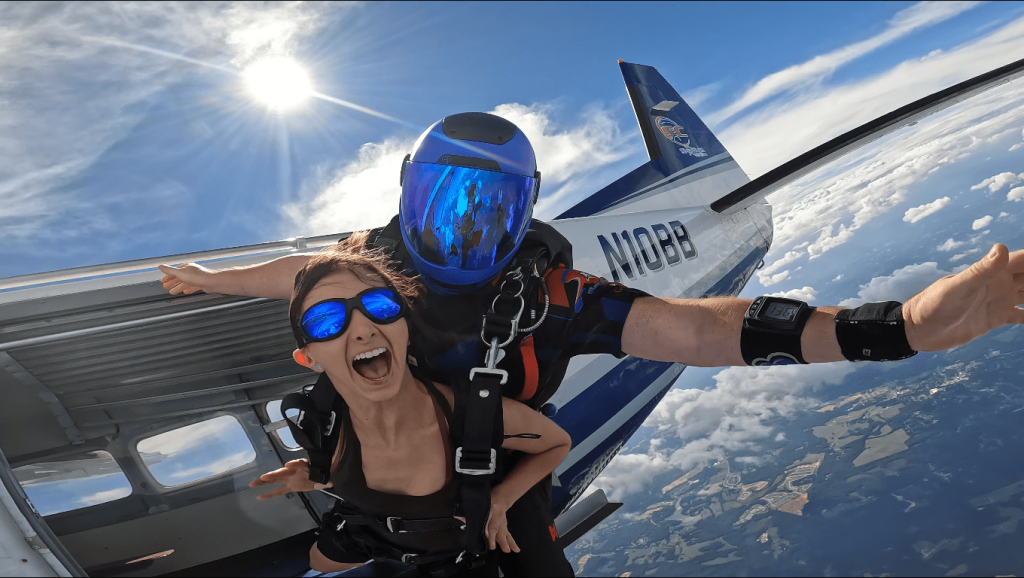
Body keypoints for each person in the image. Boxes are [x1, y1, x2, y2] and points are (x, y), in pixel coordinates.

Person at [161, 112, 1024, 576]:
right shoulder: (368, 268)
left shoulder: (553, 297)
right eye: (443, 205)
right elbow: (299, 271)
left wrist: (900, 329)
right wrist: (211, 278)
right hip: (377, 479)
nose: (461, 235)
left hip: (492, 492)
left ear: (523, 213)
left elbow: (701, 328)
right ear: (408, 198)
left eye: (487, 212)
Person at [248, 234, 571, 575]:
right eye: (325, 321)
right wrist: (317, 476)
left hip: (453, 553)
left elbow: (556, 443)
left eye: (381, 305)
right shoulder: (324, 427)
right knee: (319, 561)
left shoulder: (471, 417)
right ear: (308, 358)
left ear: (405, 324)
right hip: (370, 532)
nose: (362, 330)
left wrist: (502, 498)